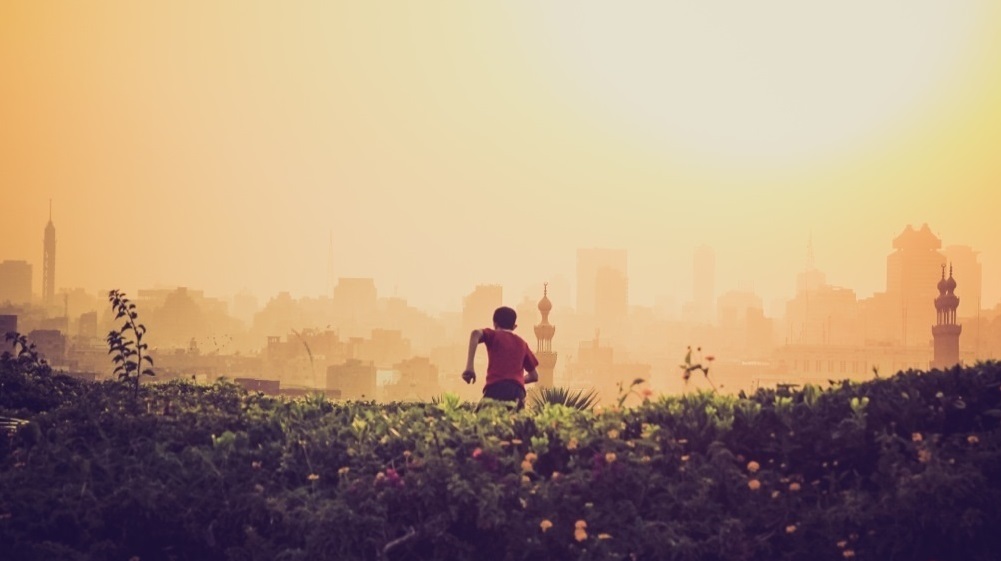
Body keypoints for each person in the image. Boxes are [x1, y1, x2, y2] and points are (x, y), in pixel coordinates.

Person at [462, 306, 539, 409]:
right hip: (518, 392)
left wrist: (469, 367)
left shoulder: (494, 335)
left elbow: (475, 333)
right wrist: (516, 380)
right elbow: (534, 376)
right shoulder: (523, 344)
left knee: (479, 422)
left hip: (497, 387)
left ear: (495, 323)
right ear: (514, 326)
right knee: (513, 424)